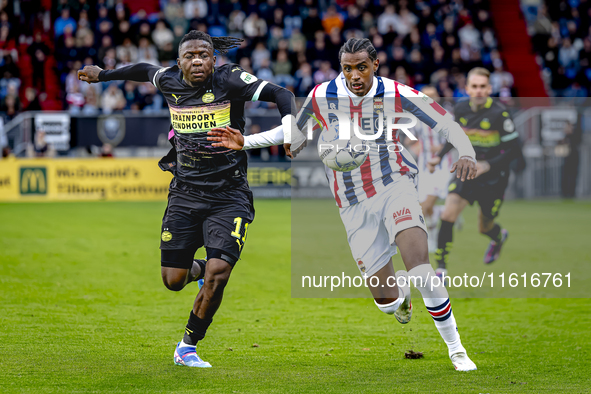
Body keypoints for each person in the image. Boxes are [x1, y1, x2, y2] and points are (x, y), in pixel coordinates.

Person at [208, 38, 479, 371]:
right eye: (348, 68)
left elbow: (446, 122)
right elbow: (294, 130)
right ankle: (400, 298)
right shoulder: (323, 95)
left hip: (395, 184)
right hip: (352, 203)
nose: (354, 75)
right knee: (386, 302)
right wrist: (246, 142)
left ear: (375, 65)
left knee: (421, 267)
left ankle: (456, 349)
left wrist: (466, 151)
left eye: (361, 67)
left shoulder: (396, 92)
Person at [78, 30, 297, 368]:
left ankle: (188, 345)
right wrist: (104, 75)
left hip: (230, 194)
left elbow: (282, 93)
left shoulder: (231, 79)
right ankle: (196, 269)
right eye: (190, 55)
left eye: (204, 55)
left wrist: (290, 128)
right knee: (173, 281)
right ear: (178, 61)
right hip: (185, 193)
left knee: (219, 272)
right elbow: (141, 69)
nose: (198, 61)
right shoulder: (168, 80)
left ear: (214, 59)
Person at [428, 67, 521, 275]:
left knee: (484, 226)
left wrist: (487, 165)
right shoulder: (460, 110)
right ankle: (441, 270)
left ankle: (498, 237)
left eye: (482, 87)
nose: (478, 91)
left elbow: (514, 149)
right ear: (467, 89)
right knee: (448, 213)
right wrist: (438, 157)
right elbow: (455, 137)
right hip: (467, 171)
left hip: (494, 178)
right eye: (474, 87)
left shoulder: (500, 114)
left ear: (489, 89)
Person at [406, 85, 455, 253]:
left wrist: (440, 149)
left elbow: (457, 139)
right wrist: (415, 146)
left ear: (437, 98)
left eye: (432, 96)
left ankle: (419, 240)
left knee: (425, 206)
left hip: (442, 167)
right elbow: (409, 139)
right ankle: (434, 235)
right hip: (423, 167)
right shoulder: (417, 117)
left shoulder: (446, 116)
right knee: (425, 206)